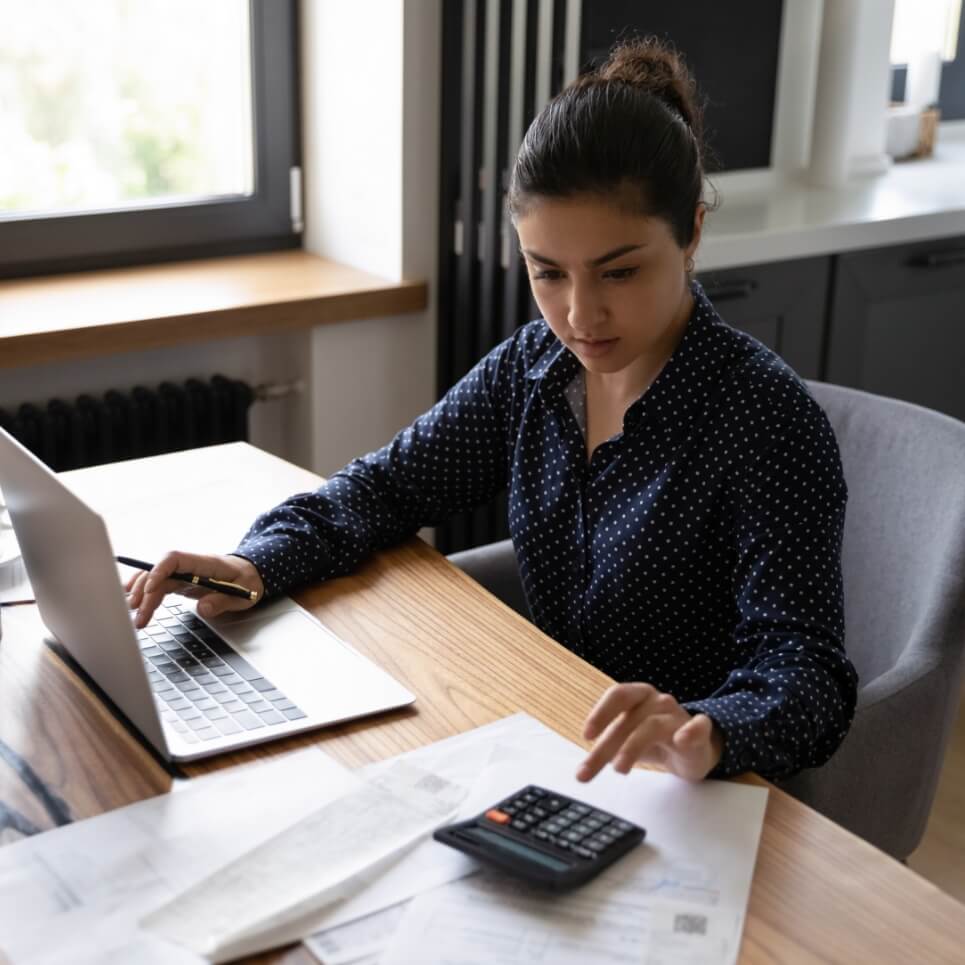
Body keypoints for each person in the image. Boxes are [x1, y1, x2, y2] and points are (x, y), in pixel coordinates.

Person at [127, 37, 858, 785]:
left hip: (701, 790)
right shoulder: (533, 369)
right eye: (547, 273)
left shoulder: (763, 419)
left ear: (692, 232)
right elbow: (385, 488)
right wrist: (250, 563)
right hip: (547, 741)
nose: (580, 315)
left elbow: (807, 675)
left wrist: (704, 730)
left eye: (621, 271)